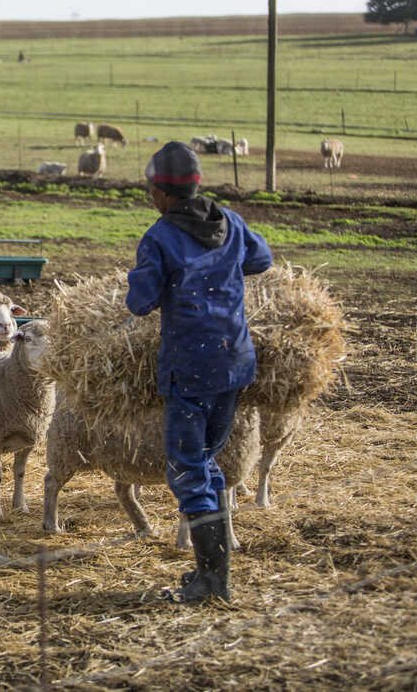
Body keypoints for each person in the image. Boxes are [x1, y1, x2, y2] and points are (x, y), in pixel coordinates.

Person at [125, 141, 273, 603]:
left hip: (190, 367)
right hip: (233, 361)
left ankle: (212, 579)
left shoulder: (160, 237)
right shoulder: (228, 220)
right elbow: (261, 259)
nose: (150, 197)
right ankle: (214, 573)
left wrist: (144, 276)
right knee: (207, 462)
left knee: (187, 469)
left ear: (164, 193)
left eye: (151, 189)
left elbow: (139, 302)